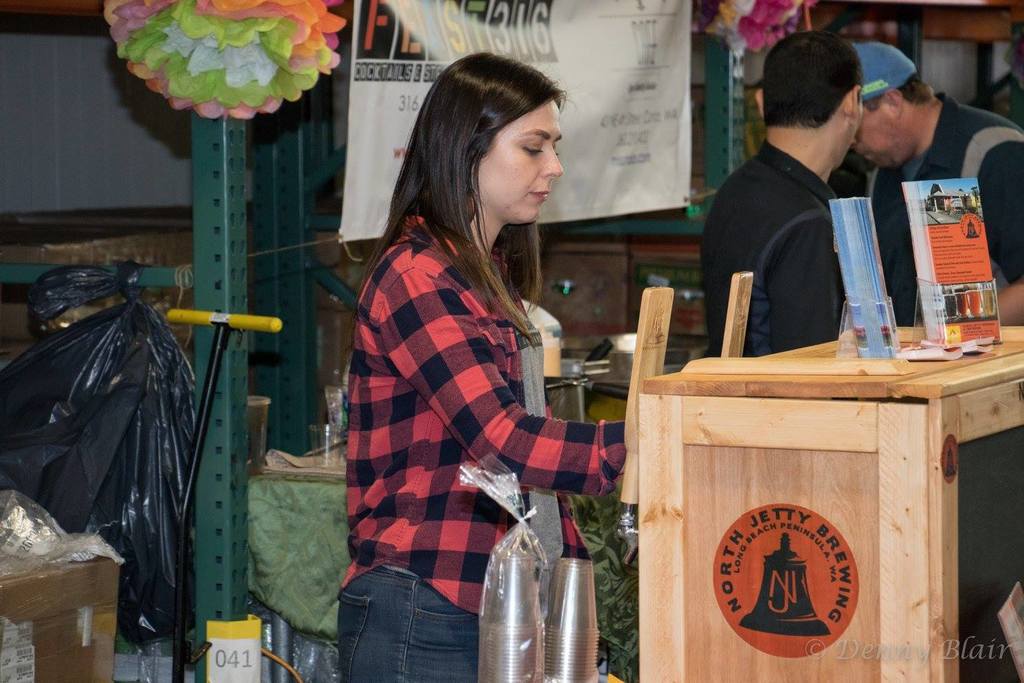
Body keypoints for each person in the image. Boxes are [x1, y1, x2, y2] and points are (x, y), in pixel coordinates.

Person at [338, 53, 627, 683]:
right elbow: (503, 439)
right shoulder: (417, 275)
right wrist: (646, 444)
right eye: (533, 147)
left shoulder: (484, 274)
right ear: (466, 150)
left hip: (490, 599)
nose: (554, 167)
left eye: (554, 147)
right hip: (429, 605)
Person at [701, 31, 862, 356]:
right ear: (851, 102)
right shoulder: (808, 222)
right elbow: (809, 369)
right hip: (778, 391)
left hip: (731, 388)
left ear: (760, 103)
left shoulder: (735, 189)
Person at [853, 41, 1024, 326]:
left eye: (854, 124)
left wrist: (954, 331)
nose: (850, 140)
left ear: (892, 102)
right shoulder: (883, 173)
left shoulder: (996, 152)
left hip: (988, 352)